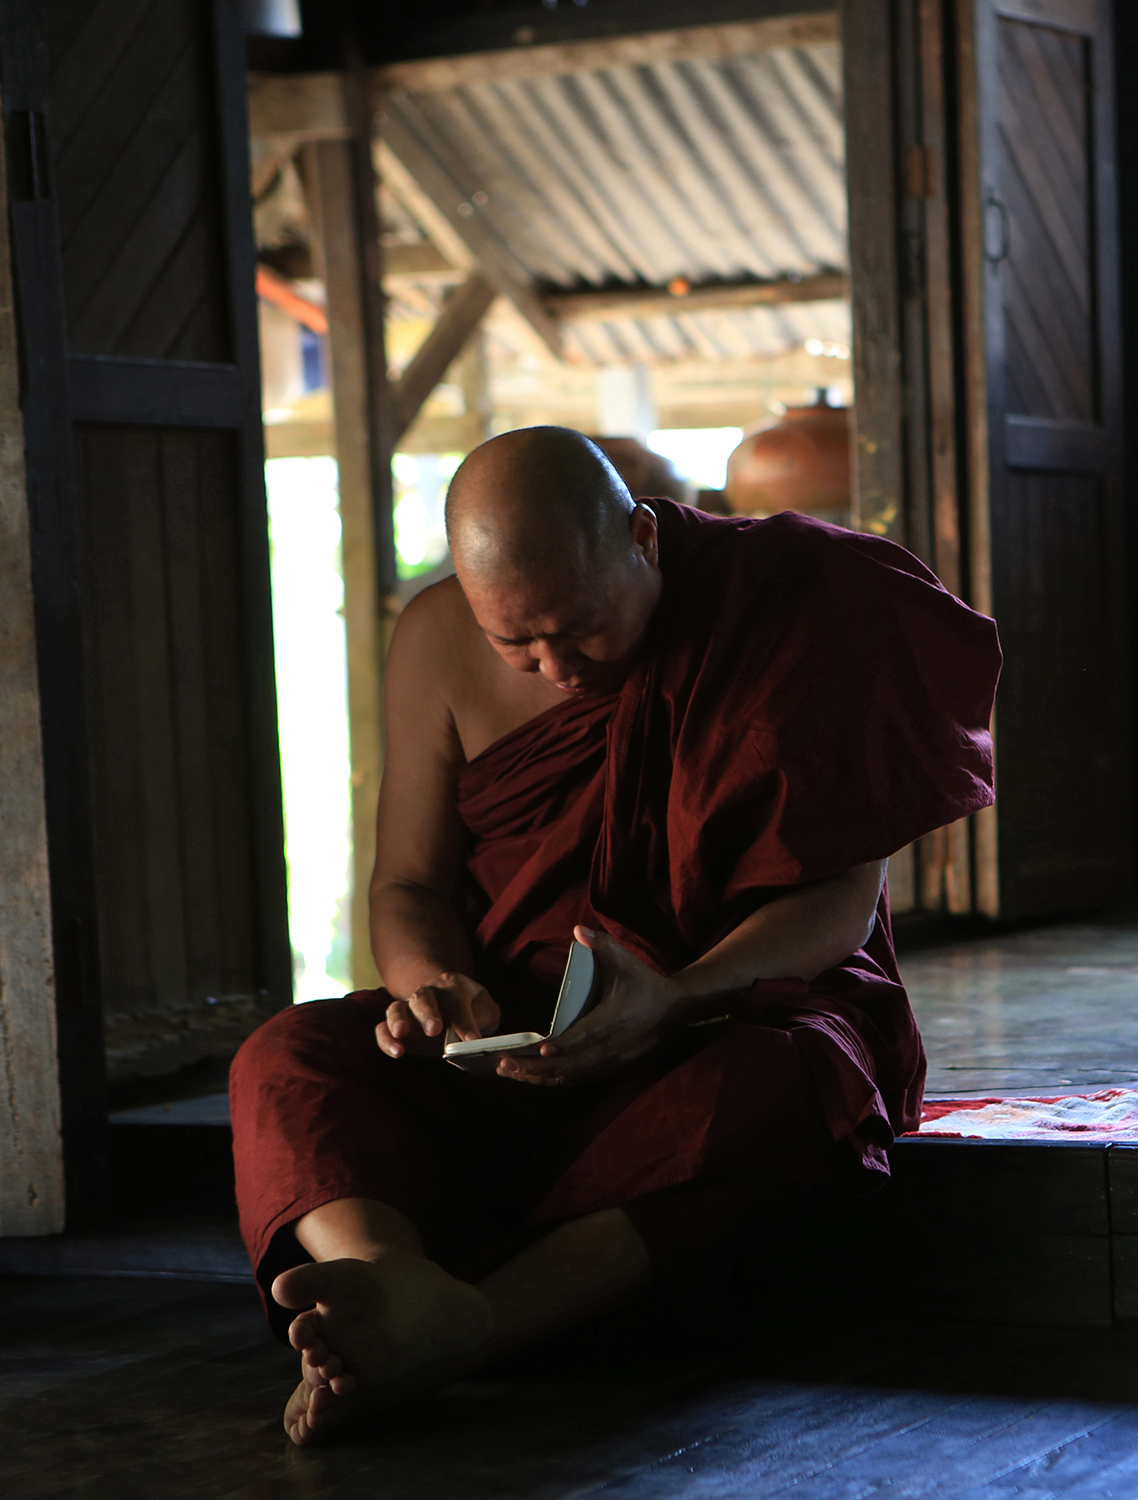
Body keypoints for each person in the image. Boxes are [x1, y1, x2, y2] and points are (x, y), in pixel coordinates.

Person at [227, 427, 1001, 1445]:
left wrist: (677, 998)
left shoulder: (788, 603)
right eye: (516, 641)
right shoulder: (432, 639)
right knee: (287, 1055)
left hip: (709, 1021)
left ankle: (472, 1322)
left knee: (796, 1076)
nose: (553, 666)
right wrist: (433, 992)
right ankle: (387, 1285)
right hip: (508, 1039)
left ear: (642, 539)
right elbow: (408, 884)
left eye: (578, 627)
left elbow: (837, 904)